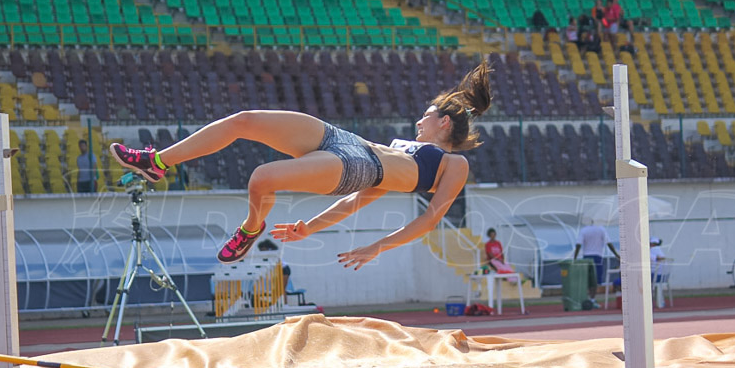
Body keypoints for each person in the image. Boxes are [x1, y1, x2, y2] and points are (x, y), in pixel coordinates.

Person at [111, 62, 493, 268]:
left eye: (426, 117)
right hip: (343, 139)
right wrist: (311, 227)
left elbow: (426, 221)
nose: (418, 122)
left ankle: (250, 228)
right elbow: (356, 203)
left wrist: (376, 246)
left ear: (444, 123)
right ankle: (156, 161)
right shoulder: (405, 148)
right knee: (244, 120)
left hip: (357, 165)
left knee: (262, 178)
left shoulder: (453, 164)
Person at [574, 222, 609, 308]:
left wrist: (574, 258)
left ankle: (588, 299)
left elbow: (578, 244)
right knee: (595, 280)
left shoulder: (584, 230)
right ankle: (592, 299)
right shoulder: (601, 229)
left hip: (587, 257)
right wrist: (616, 254)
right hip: (597, 256)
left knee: (588, 279)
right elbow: (609, 242)